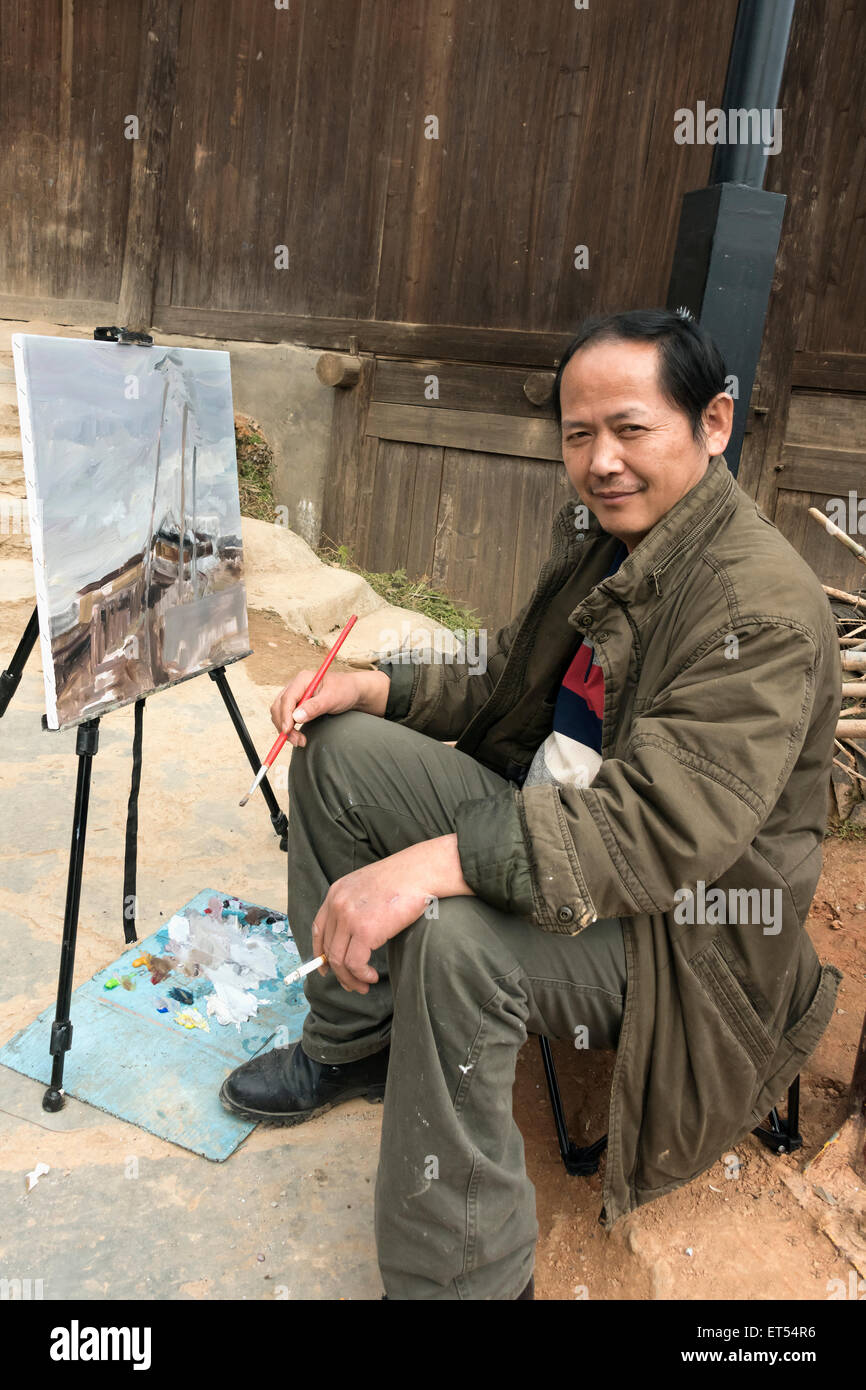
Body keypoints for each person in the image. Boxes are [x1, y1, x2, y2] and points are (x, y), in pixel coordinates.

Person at [220, 308, 842, 1300]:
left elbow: (653, 829)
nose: (600, 461)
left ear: (712, 423)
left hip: (680, 931)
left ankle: (462, 1282)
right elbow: (505, 670)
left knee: (454, 939)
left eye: (630, 429)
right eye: (577, 433)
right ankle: (354, 1040)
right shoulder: (607, 539)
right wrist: (374, 688)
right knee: (336, 753)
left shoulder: (754, 605)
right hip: (548, 818)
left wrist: (434, 865)